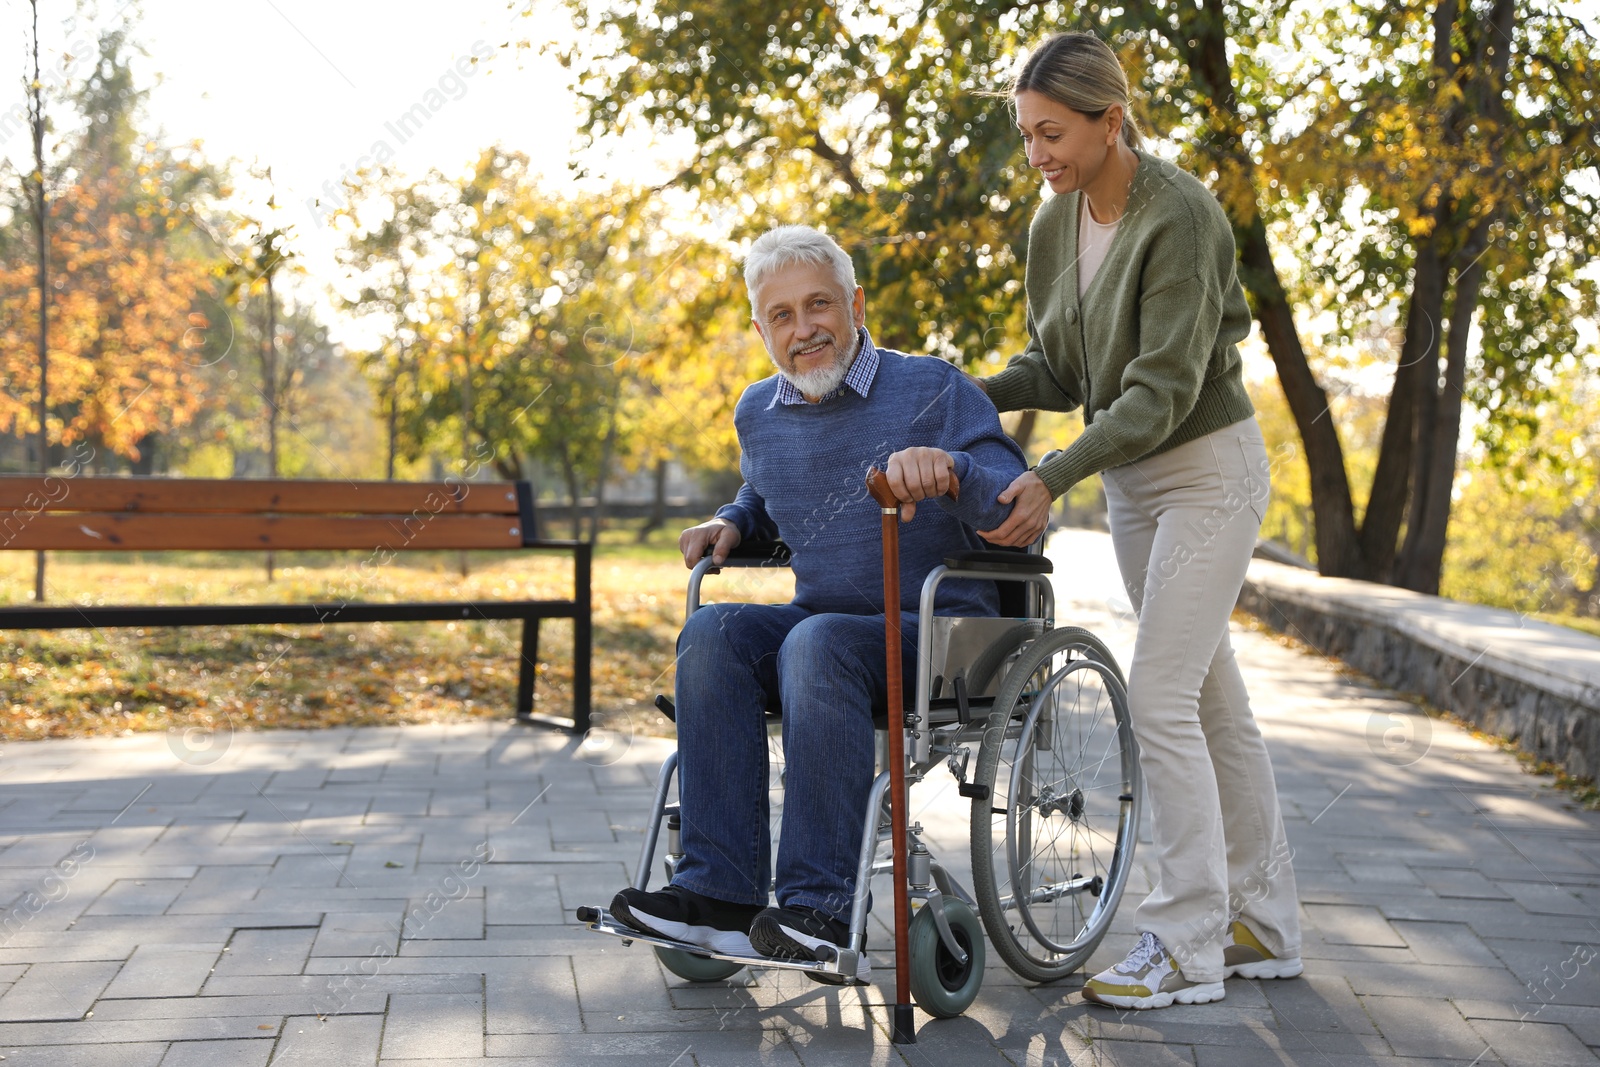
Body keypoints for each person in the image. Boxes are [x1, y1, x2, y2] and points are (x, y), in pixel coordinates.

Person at [970, 32, 1303, 1010]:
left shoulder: (1181, 218)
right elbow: (1063, 370)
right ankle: (1265, 922)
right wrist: (952, 391)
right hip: (1132, 484)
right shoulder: (1052, 225)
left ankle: (1184, 940)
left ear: (1110, 119)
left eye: (1052, 133)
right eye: (1027, 136)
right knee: (1207, 703)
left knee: (1156, 697)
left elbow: (1157, 392)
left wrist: (1052, 473)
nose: (1038, 155)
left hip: (1206, 469)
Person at [609, 225, 1028, 982]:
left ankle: (819, 908)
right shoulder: (758, 410)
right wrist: (734, 519)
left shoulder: (934, 385)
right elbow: (768, 492)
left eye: (818, 306)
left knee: (817, 642)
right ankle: (718, 893)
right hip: (828, 633)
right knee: (713, 630)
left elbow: (1015, 505)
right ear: (762, 328)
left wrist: (954, 469)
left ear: (855, 303)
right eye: (781, 316)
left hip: (938, 634)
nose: (803, 330)